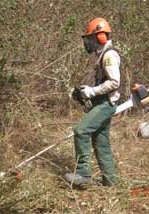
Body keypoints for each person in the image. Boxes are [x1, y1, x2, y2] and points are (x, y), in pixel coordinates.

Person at [64, 17, 121, 186]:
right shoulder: (103, 55)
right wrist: (87, 93)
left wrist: (92, 91)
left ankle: (83, 174)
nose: (88, 42)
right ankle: (110, 181)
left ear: (100, 37)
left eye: (91, 38)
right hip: (102, 103)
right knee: (101, 142)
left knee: (81, 131)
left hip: (106, 104)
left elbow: (114, 82)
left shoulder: (109, 55)